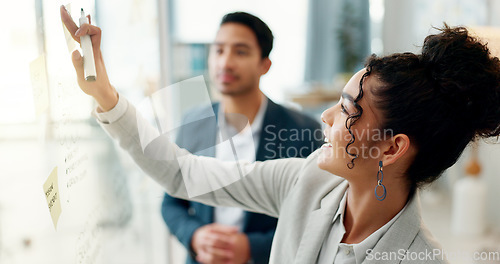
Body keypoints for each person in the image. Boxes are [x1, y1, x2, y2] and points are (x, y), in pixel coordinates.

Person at [61, 4, 500, 263]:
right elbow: (183, 175)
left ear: (389, 148)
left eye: (348, 108)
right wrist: (106, 96)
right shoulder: (306, 179)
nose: (327, 117)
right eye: (218, 49)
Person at [161, 12, 322, 264]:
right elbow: (171, 203)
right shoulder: (194, 122)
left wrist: (251, 248)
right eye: (219, 50)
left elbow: (316, 221)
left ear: (264, 65)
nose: (225, 63)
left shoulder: (303, 131)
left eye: (241, 52)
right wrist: (195, 236)